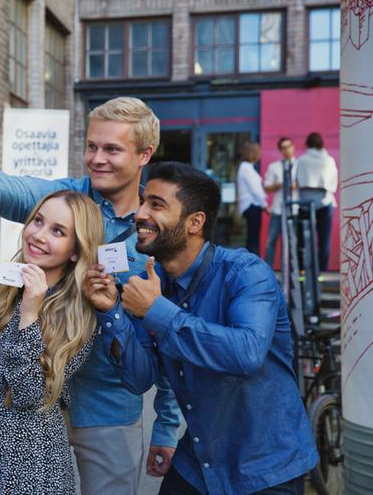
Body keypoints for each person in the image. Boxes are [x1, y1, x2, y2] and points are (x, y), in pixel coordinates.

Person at [0, 97, 182, 495]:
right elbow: (0, 187)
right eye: (91, 146)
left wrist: (167, 426)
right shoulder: (62, 198)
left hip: (106, 410)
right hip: (24, 415)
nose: (97, 158)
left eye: (111, 149)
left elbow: (168, 339)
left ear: (144, 155)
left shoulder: (156, 231)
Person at [85, 162, 319, 494]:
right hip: (197, 464)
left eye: (156, 204)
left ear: (195, 222)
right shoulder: (152, 284)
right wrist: (111, 311)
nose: (140, 214)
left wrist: (156, 312)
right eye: (143, 202)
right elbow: (139, 378)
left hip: (266, 468)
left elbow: (246, 354)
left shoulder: (246, 273)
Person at [0, 190, 153, 495]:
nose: (39, 235)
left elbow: (29, 394)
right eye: (38, 221)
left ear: (75, 250)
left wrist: (29, 315)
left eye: (58, 231)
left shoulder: (81, 313)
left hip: (32, 461)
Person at [295, 132, 338, 272]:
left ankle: (302, 269)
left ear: (307, 144)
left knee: (301, 238)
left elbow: (297, 180)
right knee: (324, 239)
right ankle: (322, 271)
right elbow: (333, 184)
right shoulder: (329, 160)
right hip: (324, 201)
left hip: (305, 203)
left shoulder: (301, 160)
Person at [263, 137, 297, 266]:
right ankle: (267, 269)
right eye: (283, 147)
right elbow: (267, 187)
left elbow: (303, 184)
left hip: (294, 209)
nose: (287, 149)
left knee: (291, 242)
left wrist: (293, 185)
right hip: (278, 209)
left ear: (293, 147)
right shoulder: (274, 167)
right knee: (271, 241)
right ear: (280, 150)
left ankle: (291, 270)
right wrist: (280, 184)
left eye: (289, 146)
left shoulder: (299, 165)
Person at [236, 141, 267, 255]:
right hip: (252, 206)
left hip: (249, 206)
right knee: (253, 240)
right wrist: (265, 205)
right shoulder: (247, 168)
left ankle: (251, 262)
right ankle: (252, 263)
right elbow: (256, 191)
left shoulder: (245, 167)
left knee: (252, 238)